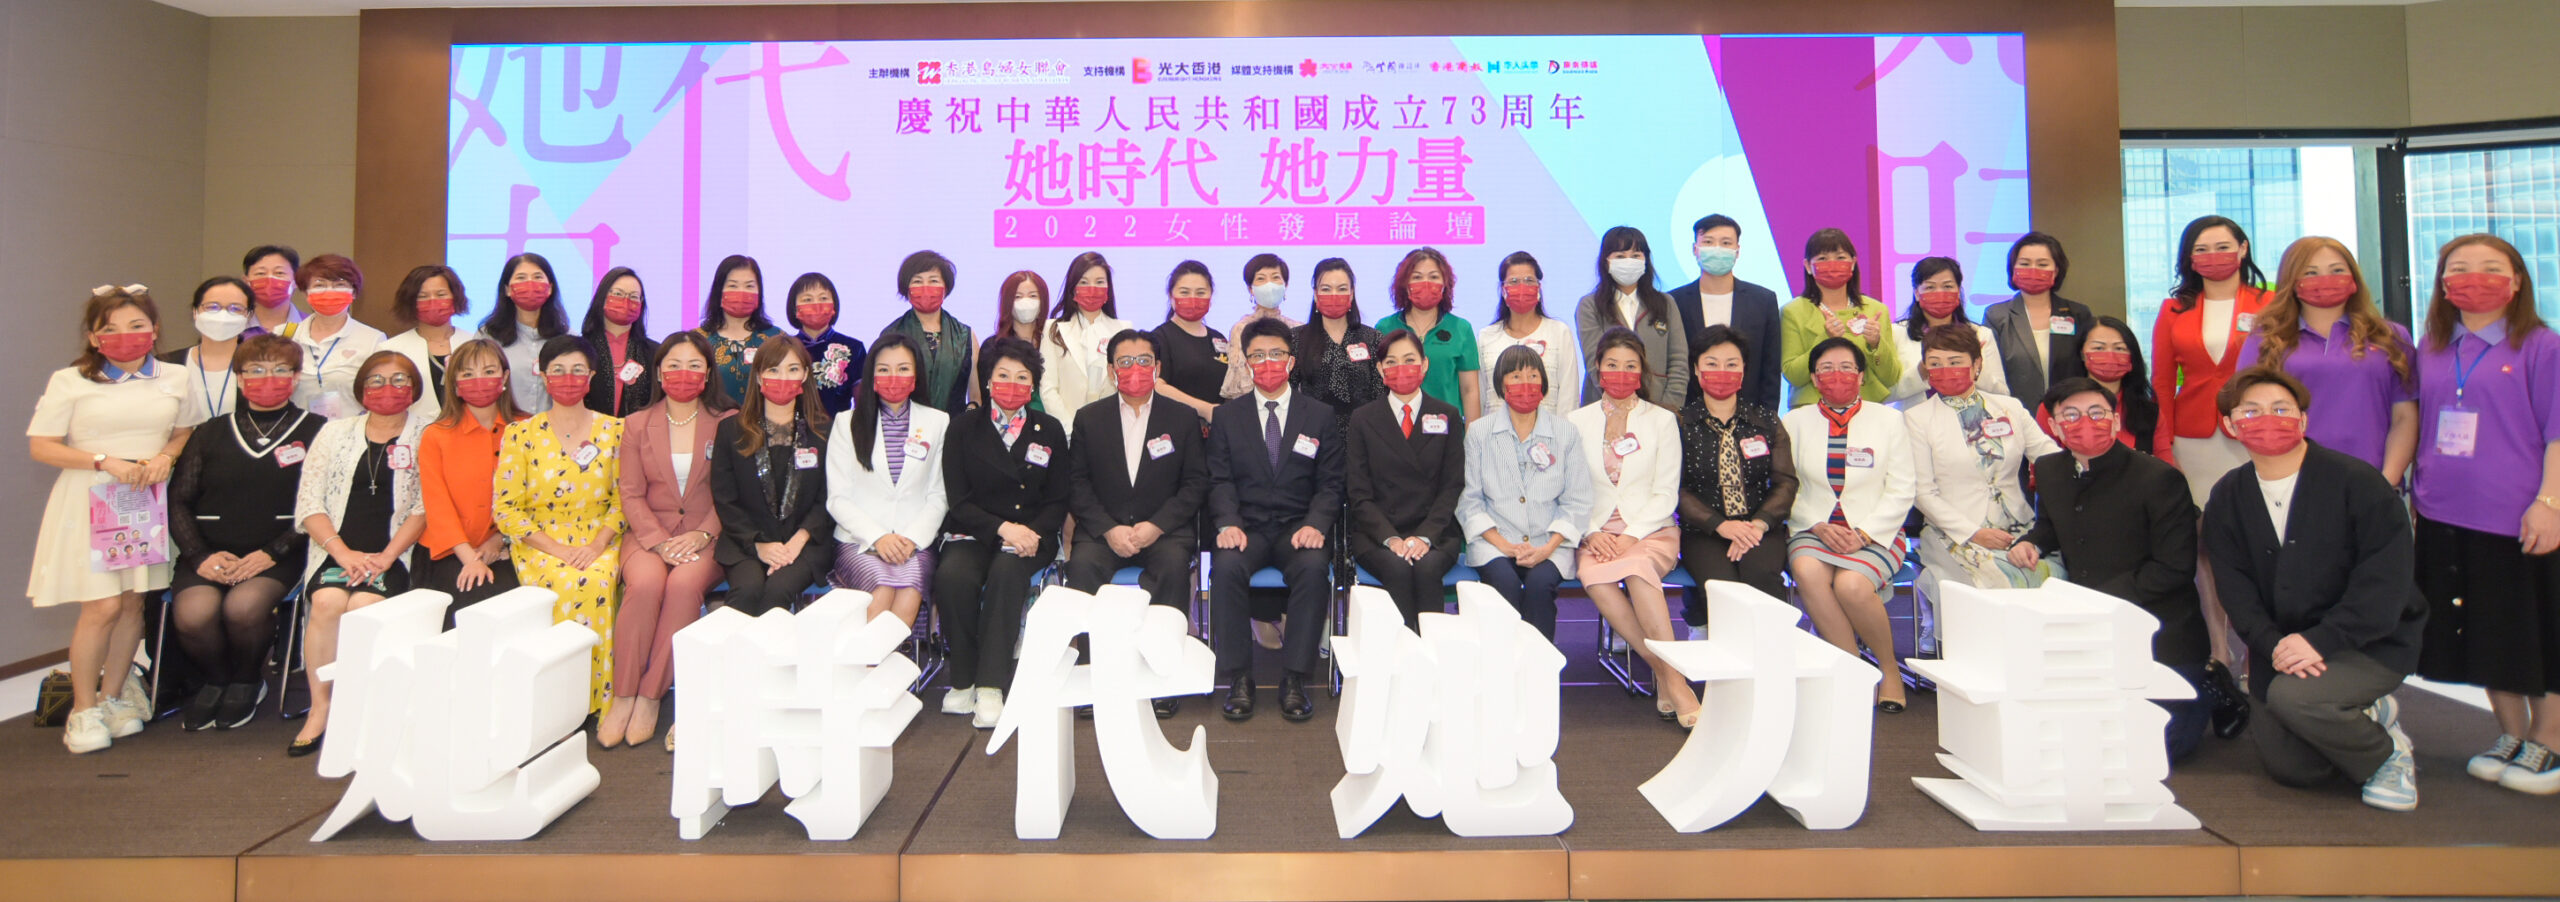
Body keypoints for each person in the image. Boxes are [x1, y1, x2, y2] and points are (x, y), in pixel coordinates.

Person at [2200, 366, 2427, 810]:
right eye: (2251, 411)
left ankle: (2385, 755)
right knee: (2293, 768)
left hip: (2367, 640)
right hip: (2283, 647)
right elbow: (2237, 592)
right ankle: (2359, 716)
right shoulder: (2227, 496)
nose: (2268, 419)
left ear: (2303, 419)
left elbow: (2385, 584)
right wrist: (2275, 644)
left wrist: (2319, 641)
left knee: (2295, 700)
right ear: (2229, 424)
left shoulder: (2358, 483)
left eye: (2281, 409)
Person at [2409, 233, 2560, 795]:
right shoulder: (2432, 346)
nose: (2474, 277)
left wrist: (2550, 504)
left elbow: (2558, 435)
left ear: (2517, 280)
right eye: (2460, 267)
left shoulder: (2542, 346)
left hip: (2519, 515)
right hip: (2444, 512)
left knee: (2536, 629)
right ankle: (2511, 733)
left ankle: (2550, 739)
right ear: (2443, 283)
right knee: (2484, 632)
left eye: (2491, 267)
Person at [32, 285, 203, 753]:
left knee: (132, 604)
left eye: (136, 326)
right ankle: (82, 710)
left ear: (155, 330)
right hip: (91, 497)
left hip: (144, 503)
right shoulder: (70, 380)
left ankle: (112, 697)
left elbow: (185, 429)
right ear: (93, 337)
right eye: (110, 328)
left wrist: (165, 456)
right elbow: (42, 445)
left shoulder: (176, 376)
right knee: (102, 605)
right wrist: (104, 460)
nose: (125, 336)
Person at [2010, 377, 2211, 762]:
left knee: (2150, 752)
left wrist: (2095, 600)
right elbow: (2050, 525)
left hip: (2158, 630)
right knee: (2065, 743)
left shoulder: (2159, 478)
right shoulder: (2050, 470)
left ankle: (2208, 689)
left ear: (2116, 421)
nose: (2085, 423)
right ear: (2054, 427)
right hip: (2088, 633)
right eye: (2071, 415)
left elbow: (2174, 569)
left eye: (2097, 413)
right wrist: (2031, 542)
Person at [2151, 214, 2270, 736]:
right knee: (2203, 545)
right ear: (2189, 257)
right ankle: (2219, 652)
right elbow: (2160, 381)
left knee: (2255, 543)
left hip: (2255, 434)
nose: (2213, 256)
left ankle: (2260, 651)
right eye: (2202, 248)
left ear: (2242, 249)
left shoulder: (2270, 304)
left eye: (2223, 246)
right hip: (2194, 436)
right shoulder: (2174, 308)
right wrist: (2163, 445)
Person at [167, 334, 319, 731]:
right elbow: (179, 499)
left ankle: (248, 680)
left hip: (279, 553)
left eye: (280, 369)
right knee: (193, 614)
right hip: (209, 552)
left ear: (296, 376)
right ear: (239, 378)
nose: (268, 378)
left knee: (244, 608)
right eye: (255, 369)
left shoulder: (319, 431)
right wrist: (199, 556)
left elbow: (321, 506)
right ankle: (217, 680)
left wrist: (272, 553)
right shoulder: (209, 432)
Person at [289, 350, 431, 756]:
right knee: (327, 602)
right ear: (360, 388)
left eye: (400, 380)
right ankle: (321, 707)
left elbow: (424, 507)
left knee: (364, 606)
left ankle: (363, 711)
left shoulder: (428, 433)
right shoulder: (333, 433)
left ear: (415, 388)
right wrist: (342, 553)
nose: (388, 388)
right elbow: (309, 503)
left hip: (395, 554)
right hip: (337, 552)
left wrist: (386, 557)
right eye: (377, 380)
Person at [1064, 329, 1209, 717]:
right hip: (1104, 531)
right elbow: (1077, 484)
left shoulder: (1181, 417)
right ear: (1112, 371)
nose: (1135, 369)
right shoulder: (1089, 418)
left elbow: (1196, 483)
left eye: (1144, 361)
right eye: (1125, 362)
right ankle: (1094, 678)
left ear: (1157, 367)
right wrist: (1108, 528)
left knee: (1174, 568)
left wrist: (1157, 526)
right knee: (1081, 569)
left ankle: (1163, 677)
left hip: (1164, 531)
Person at [1206, 318, 1344, 722]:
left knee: (1313, 569)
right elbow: (1218, 479)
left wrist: (1316, 524)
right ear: (1247, 363)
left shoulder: (1319, 415)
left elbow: (1331, 482)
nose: (1268, 363)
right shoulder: (1228, 417)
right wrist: (1227, 523)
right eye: (1258, 356)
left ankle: (1295, 679)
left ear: (1291, 360)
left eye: (1276, 354)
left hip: (1297, 528)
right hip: (1245, 528)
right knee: (1225, 569)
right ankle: (1239, 678)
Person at [933, 337, 1068, 728]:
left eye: (1022, 377)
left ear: (1033, 384)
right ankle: (963, 679)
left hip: (1032, 535)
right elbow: (958, 500)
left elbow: (1058, 499)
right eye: (1003, 376)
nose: (1012, 384)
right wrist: (1003, 528)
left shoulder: (1049, 429)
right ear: (988, 381)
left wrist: (1030, 533)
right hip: (974, 531)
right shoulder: (962, 427)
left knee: (1007, 573)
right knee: (953, 576)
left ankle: (991, 685)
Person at [1781, 337, 1917, 711]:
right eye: (1826, 369)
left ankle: (1889, 670)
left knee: (1852, 585)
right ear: (1813, 378)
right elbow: (1786, 485)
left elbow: (1903, 487)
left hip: (1875, 530)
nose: (1836, 376)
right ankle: (1854, 670)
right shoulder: (1793, 422)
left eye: (1846, 368)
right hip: (1813, 528)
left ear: (1861, 376)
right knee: (1807, 570)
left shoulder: (1889, 420)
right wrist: (1816, 524)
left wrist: (1865, 533)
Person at [493, 336, 626, 718]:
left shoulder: (616, 431)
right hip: (541, 542)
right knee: (563, 580)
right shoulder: (520, 434)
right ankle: (555, 706)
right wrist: (558, 550)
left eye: (577, 370)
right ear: (543, 375)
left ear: (592, 376)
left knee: (596, 580)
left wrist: (597, 545)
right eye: (559, 370)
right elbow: (506, 508)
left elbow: (624, 500)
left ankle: (596, 702)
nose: (568, 379)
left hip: (601, 537)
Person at [1571, 329, 1700, 724]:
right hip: (1595, 530)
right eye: (1612, 365)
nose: (1621, 373)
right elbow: (1570, 489)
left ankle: (1670, 681)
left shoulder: (1661, 420)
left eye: (1630, 366)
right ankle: (1670, 675)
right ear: (1598, 369)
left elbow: (1665, 492)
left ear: (1642, 372)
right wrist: (1593, 531)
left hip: (1650, 528)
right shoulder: (1575, 421)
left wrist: (1630, 536)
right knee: (1595, 579)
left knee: (1639, 572)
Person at [610, 332, 730, 748]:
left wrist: (703, 532)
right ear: (659, 373)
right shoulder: (636, 423)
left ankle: (650, 696)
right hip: (649, 535)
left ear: (708, 373)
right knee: (645, 585)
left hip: (707, 536)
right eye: (674, 365)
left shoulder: (727, 422)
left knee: (681, 587)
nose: (684, 373)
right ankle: (623, 694)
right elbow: (630, 493)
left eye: (694, 365)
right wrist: (659, 542)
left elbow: (731, 491)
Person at [2235, 237, 2417, 481]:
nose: (2325, 280)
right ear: (2291, 280)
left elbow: (2404, 417)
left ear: (2354, 277)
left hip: (2373, 478)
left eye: (2337, 270)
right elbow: (2249, 414)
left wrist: (2387, 481)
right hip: (2290, 479)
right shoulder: (2264, 340)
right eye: (2311, 272)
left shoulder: (2390, 337)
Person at [1905, 325, 2060, 608]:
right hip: (1954, 532)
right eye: (1935, 364)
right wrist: (1974, 533)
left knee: (2053, 576)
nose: (1945, 370)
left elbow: (2049, 457)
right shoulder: (1917, 418)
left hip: (2020, 526)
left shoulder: (2010, 408)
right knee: (2001, 582)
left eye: (1955, 362)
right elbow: (1923, 493)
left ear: (1977, 364)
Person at [1460, 346, 1593, 639]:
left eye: (1533, 376)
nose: (1526, 384)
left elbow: (1577, 500)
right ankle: (1502, 662)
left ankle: (1539, 663)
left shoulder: (1565, 432)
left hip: (1549, 541)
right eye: (1516, 376)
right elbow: (1470, 501)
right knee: (1504, 585)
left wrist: (1547, 547)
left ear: (1544, 383)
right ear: (1501, 384)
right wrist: (1506, 546)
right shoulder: (1479, 432)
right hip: (1494, 542)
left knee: (1539, 587)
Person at [1677, 326, 1795, 632]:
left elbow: (1785, 481)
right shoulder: (1680, 423)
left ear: (1743, 370)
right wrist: (1720, 525)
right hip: (1704, 529)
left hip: (1759, 526)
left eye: (1731, 364)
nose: (1722, 371)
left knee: (1761, 576)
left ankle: (1773, 649)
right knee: (1722, 587)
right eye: (1711, 363)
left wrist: (1758, 524)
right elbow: (1676, 489)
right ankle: (1720, 650)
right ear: (1696, 369)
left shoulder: (1765, 421)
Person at [1347, 329, 1467, 628]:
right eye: (1392, 362)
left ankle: (1432, 648)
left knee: (1426, 568)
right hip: (1377, 533)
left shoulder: (1448, 415)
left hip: (1436, 532)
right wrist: (1391, 539)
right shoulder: (1363, 419)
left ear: (1424, 364)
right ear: (1379, 369)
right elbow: (1359, 492)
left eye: (1410, 360)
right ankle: (1401, 649)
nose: (1401, 368)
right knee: (1398, 567)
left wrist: (1424, 536)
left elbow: (1451, 486)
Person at [826, 333, 948, 627]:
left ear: (916, 375)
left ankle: (880, 657)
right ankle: (872, 658)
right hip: (860, 540)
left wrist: (912, 539)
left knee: (908, 592)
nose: (894, 377)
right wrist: (878, 537)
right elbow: (837, 498)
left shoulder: (938, 421)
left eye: (903, 368)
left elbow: (939, 495)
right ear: (871, 376)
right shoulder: (846, 422)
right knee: (880, 591)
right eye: (884, 369)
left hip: (914, 541)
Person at [707, 338, 835, 617]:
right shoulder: (731, 430)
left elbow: (828, 496)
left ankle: (767, 649)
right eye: (773, 370)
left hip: (805, 542)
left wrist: (797, 542)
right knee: (747, 590)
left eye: (793, 369)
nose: (783, 378)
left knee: (778, 590)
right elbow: (725, 499)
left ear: (805, 375)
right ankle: (734, 648)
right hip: (746, 541)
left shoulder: (825, 431)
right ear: (758, 377)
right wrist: (758, 545)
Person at [416, 338, 524, 619]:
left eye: (489, 371)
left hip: (509, 545)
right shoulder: (436, 435)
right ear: (455, 383)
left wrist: (499, 541)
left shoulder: (527, 428)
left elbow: (534, 498)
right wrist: (470, 558)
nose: (479, 380)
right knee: (474, 600)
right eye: (467, 374)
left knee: (517, 606)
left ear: (505, 376)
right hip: (451, 551)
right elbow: (437, 507)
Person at [1671, 214, 1784, 411]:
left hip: (1749, 414)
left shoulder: (1763, 300)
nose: (1717, 249)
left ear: (1737, 251)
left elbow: (1771, 367)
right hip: (1689, 415)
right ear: (1695, 249)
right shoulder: (1674, 301)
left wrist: (1768, 418)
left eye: (1725, 243)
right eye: (1708, 242)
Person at [1779, 229, 1897, 408]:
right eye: (1822, 258)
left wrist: (1876, 345)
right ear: (1808, 266)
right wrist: (1824, 339)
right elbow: (1793, 376)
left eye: (1840, 257)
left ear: (1853, 263)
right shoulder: (1792, 311)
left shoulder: (1876, 310)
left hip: (1867, 410)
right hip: (1812, 410)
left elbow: (1891, 377)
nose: (1832, 264)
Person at [1577, 227, 1690, 409]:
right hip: (1604, 409)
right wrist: (1618, 406)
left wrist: (1667, 409)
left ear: (1646, 260)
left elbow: (1679, 362)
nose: (1628, 261)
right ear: (1606, 261)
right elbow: (1593, 363)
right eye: (1620, 256)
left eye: (1636, 255)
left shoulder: (1666, 303)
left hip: (1657, 408)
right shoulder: (1590, 305)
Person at [1982, 232, 2096, 405]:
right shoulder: (1996, 315)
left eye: (2042, 264)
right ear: (2013, 269)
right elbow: (1990, 373)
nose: (2033, 270)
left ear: (2056, 270)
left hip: (2069, 411)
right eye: (2025, 264)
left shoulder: (2078, 313)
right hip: (2015, 411)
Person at [1379, 246, 1483, 419]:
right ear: (1404, 284)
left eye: (1434, 277)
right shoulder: (1385, 327)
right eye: (1417, 277)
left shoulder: (1461, 328)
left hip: (1447, 426)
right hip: (1397, 426)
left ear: (1445, 284)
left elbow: (1469, 390)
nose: (1426, 283)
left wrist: (1472, 432)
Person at [1888, 258, 2009, 406]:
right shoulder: (1896, 333)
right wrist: (1920, 373)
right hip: (1912, 418)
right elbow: (1885, 395)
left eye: (1947, 286)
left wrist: (1976, 370)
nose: (1940, 293)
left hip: (1968, 418)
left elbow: (2002, 394)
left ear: (1958, 291)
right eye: (1930, 287)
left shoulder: (1980, 334)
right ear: (1917, 293)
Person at [1477, 251, 1577, 417]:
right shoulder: (1486, 336)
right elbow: (1480, 395)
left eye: (1529, 280)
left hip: (1549, 431)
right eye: (1514, 281)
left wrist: (1563, 431)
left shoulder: (1559, 332)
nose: (1522, 287)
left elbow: (1569, 396)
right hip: (1495, 431)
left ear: (1539, 288)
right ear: (1503, 290)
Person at [2043, 316, 2161, 456]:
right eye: (2098, 347)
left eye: (2119, 348)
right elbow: (2042, 463)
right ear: (2082, 353)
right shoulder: (2053, 406)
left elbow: (2165, 465)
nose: (2110, 355)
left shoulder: (2150, 412)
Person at [1039, 251, 1131, 430]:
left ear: (1108, 287)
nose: (1092, 288)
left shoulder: (1124, 330)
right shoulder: (1054, 329)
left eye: (1099, 282)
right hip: (1067, 431)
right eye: (1084, 282)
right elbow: (1048, 388)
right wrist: (1071, 429)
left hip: (1112, 430)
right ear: (1073, 287)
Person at [1292, 257, 1386, 430]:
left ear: (1352, 293)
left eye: (1341, 289)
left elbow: (1380, 396)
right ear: (1315, 294)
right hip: (1312, 434)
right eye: (1326, 289)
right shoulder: (1297, 338)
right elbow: (1289, 395)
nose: (1334, 295)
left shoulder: (1372, 338)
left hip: (1363, 433)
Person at [289, 253, 386, 420]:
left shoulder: (373, 340)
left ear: (354, 292)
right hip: (297, 430)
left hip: (349, 430)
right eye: (320, 285)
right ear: (305, 293)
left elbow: (379, 395)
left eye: (340, 284)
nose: (329, 291)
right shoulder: (285, 335)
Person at [378, 264, 481, 420]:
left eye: (441, 294)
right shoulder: (390, 349)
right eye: (423, 296)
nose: (433, 301)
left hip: (469, 427)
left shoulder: (475, 342)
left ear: (455, 297)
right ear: (410, 301)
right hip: (413, 430)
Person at [880, 251, 974, 412]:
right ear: (906, 288)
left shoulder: (965, 334)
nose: (926, 288)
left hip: (955, 424)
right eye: (917, 281)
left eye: (933, 281)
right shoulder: (891, 334)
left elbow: (975, 394)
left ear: (945, 287)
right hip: (907, 423)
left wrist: (971, 411)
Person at [482, 251, 574, 413]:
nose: (530, 284)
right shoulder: (488, 336)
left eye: (537, 277)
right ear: (507, 289)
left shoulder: (567, 337)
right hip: (504, 424)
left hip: (552, 427)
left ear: (550, 288)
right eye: (521, 278)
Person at [161, 277, 255, 422]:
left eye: (235, 308)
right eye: (212, 307)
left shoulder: (259, 366)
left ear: (249, 316)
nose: (223, 315)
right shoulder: (167, 364)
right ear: (195, 311)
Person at [698, 254, 785, 407]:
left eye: (749, 286)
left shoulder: (776, 338)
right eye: (733, 286)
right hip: (713, 419)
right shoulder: (699, 340)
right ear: (719, 291)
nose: (741, 292)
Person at [1152, 260, 1230, 423]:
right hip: (1176, 427)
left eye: (1200, 293)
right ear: (1171, 296)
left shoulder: (1219, 338)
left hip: (1217, 430)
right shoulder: (1159, 337)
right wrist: (1206, 409)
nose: (1193, 299)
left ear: (1211, 296)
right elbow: (1157, 386)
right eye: (1184, 292)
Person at [580, 266, 660, 418]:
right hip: (587, 431)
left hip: (638, 432)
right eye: (618, 294)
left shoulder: (654, 352)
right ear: (602, 297)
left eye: (634, 297)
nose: (626, 301)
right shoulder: (579, 349)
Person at [1221, 253, 1302, 400]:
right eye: (1261, 279)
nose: (1269, 285)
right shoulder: (1241, 329)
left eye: (1275, 277)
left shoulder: (1298, 328)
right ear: (1250, 289)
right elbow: (1239, 383)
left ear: (1285, 285)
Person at [789, 271, 866, 415]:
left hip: (838, 427)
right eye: (807, 299)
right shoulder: (785, 349)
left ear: (834, 306)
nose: (816, 304)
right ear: (794, 309)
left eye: (823, 298)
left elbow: (862, 405)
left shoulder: (854, 348)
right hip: (793, 426)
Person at [982, 270, 1049, 410]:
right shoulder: (993, 346)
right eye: (1018, 296)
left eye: (1033, 296)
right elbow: (986, 395)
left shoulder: (1054, 342)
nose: (1026, 302)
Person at [243, 245, 304, 338]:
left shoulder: (312, 326)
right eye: (260, 273)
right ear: (246, 281)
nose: (269, 279)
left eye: (279, 273)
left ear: (296, 280)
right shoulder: (233, 326)